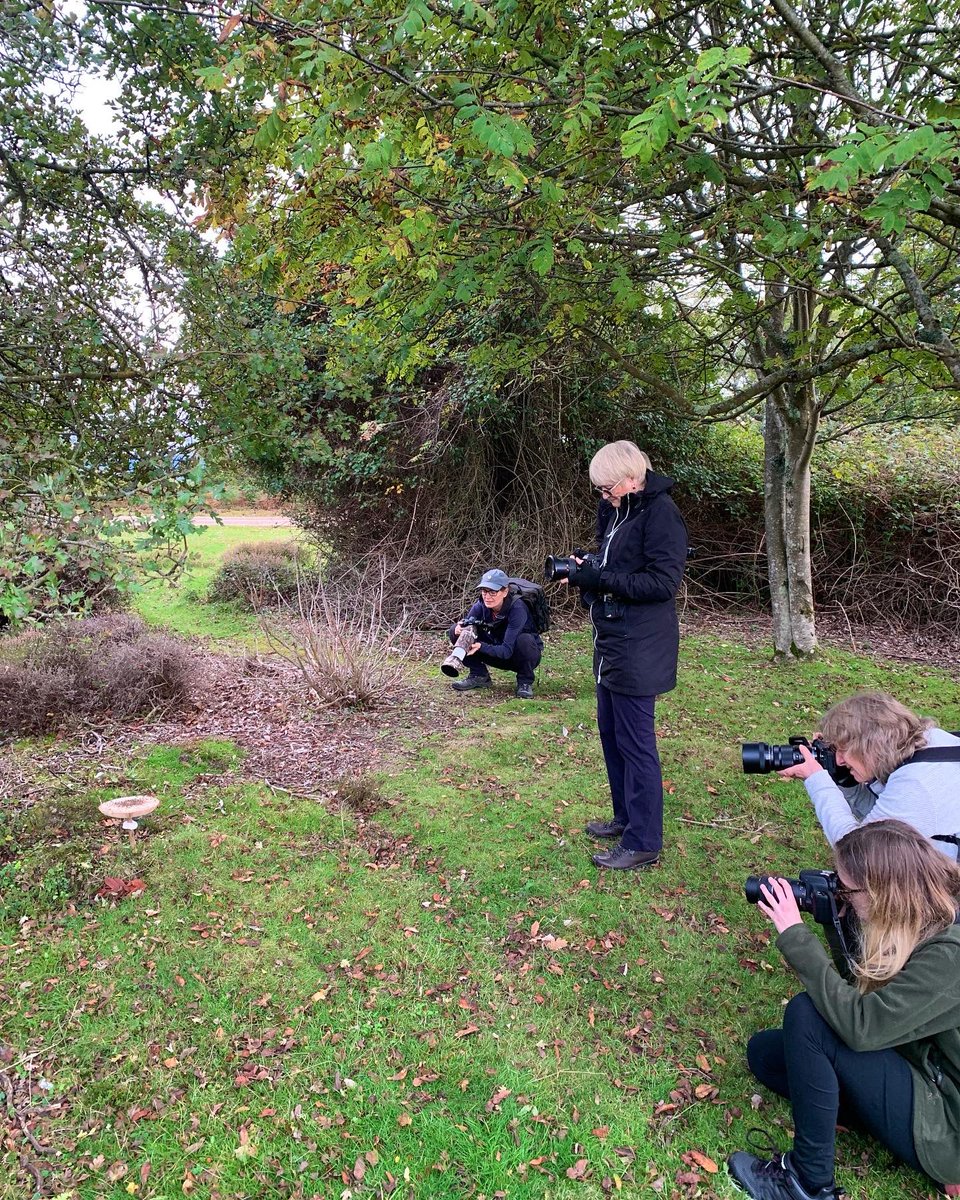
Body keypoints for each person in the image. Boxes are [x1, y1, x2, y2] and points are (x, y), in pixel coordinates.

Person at [729, 819, 960, 1200]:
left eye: (847, 889)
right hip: (917, 1067)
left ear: (882, 892)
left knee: (807, 1016)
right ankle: (878, 1119)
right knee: (767, 1055)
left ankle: (806, 1182)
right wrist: (836, 922)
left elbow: (862, 1025)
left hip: (947, 1120)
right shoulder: (920, 916)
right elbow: (863, 999)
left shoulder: (950, 955)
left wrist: (794, 935)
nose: (842, 894)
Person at [564, 440, 688, 871]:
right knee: (612, 736)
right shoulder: (620, 510)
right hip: (611, 642)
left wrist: (602, 577)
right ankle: (624, 817)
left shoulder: (660, 514)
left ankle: (643, 841)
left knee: (637, 745)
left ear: (632, 478)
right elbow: (616, 566)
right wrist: (589, 569)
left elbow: (661, 584)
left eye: (608, 488)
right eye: (599, 490)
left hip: (641, 645)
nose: (604, 496)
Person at [778, 692, 960, 859]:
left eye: (843, 750)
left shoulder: (917, 784)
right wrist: (841, 778)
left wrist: (816, 779)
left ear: (870, 745)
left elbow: (858, 852)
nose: (839, 760)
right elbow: (885, 823)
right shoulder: (931, 741)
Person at [447, 568, 542, 699]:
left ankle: (525, 682)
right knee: (456, 632)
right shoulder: (480, 606)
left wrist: (481, 646)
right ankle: (479, 675)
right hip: (495, 648)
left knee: (524, 640)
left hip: (517, 654)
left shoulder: (518, 609)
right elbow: (466, 628)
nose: (487, 596)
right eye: (484, 591)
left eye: (493, 592)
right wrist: (459, 629)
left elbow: (506, 651)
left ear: (505, 592)